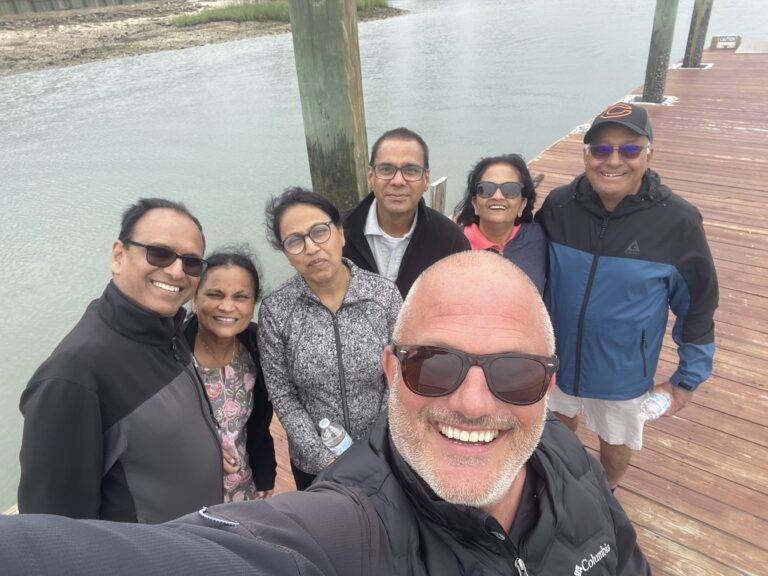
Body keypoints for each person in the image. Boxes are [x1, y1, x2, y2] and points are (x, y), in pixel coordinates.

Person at [0, 252, 650, 576]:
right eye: (436, 365)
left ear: (548, 385)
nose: (475, 403)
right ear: (393, 371)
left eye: (514, 374)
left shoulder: (565, 457)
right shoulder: (350, 528)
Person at [536, 102, 718, 490]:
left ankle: (608, 493)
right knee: (556, 425)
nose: (613, 161)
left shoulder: (679, 222)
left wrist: (686, 380)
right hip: (556, 356)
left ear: (649, 153)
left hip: (622, 370)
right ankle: (564, 486)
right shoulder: (559, 205)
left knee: (616, 440)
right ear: (586, 155)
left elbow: (698, 307)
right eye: (601, 150)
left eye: (629, 150)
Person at [17, 198, 224, 523]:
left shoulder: (168, 331)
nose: (176, 271)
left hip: (196, 545)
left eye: (192, 263)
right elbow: (53, 529)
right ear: (118, 256)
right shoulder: (72, 376)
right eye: (159, 253)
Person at [258, 187, 402, 490]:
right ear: (286, 253)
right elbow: (282, 394)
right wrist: (324, 459)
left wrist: (375, 447)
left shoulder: (383, 295)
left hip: (383, 454)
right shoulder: (276, 309)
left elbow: (399, 377)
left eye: (319, 232)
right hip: (315, 466)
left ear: (340, 234)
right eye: (295, 241)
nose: (311, 248)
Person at [183, 249, 277, 501]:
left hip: (241, 487)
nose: (227, 306)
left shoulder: (257, 347)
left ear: (252, 303)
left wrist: (264, 471)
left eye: (240, 296)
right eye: (215, 294)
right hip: (185, 488)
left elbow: (258, 422)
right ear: (194, 298)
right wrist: (204, 448)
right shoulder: (171, 354)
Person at [343, 126, 470, 297]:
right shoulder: (340, 234)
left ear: (426, 180)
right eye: (386, 169)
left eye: (410, 170)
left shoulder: (450, 240)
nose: (397, 181)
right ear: (371, 177)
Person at [454, 153, 547, 293]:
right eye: (486, 189)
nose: (497, 197)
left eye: (510, 189)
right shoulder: (453, 244)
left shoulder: (537, 239)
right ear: (475, 203)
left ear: (522, 204)